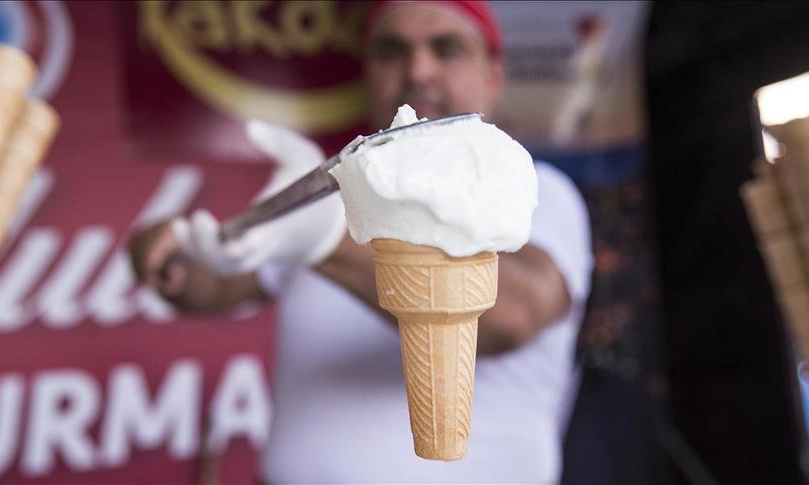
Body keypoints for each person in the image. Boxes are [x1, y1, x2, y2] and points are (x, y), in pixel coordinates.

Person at [130, 1, 593, 482]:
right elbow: (205, 284)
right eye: (392, 51)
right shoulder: (338, 192)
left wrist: (326, 238)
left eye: (446, 48)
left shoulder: (537, 190)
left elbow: (513, 318)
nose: (418, 70)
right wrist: (169, 248)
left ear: (493, 75)